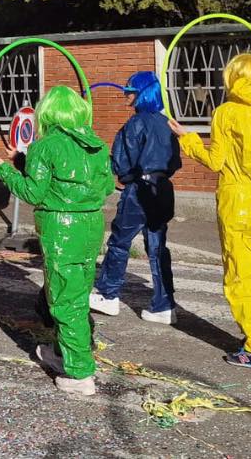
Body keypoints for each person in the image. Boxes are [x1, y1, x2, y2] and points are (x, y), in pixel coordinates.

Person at [0, 86, 114, 396]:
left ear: (48, 113)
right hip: (91, 225)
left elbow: (33, 192)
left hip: (61, 228)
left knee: (65, 300)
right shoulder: (96, 145)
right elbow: (108, 187)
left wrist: (3, 170)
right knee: (78, 292)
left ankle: (79, 373)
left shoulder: (45, 146)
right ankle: (65, 352)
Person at [168, 53, 251, 370]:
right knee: (249, 269)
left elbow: (215, 161)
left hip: (237, 199)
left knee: (240, 275)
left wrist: (188, 139)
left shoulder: (226, 113)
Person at [91, 71, 182, 323]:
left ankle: (108, 295)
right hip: (163, 190)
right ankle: (165, 305)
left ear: (142, 93)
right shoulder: (166, 123)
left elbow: (121, 163)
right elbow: (175, 161)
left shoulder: (135, 124)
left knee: (120, 242)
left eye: (130, 91)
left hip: (139, 191)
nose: (125, 94)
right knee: (157, 247)